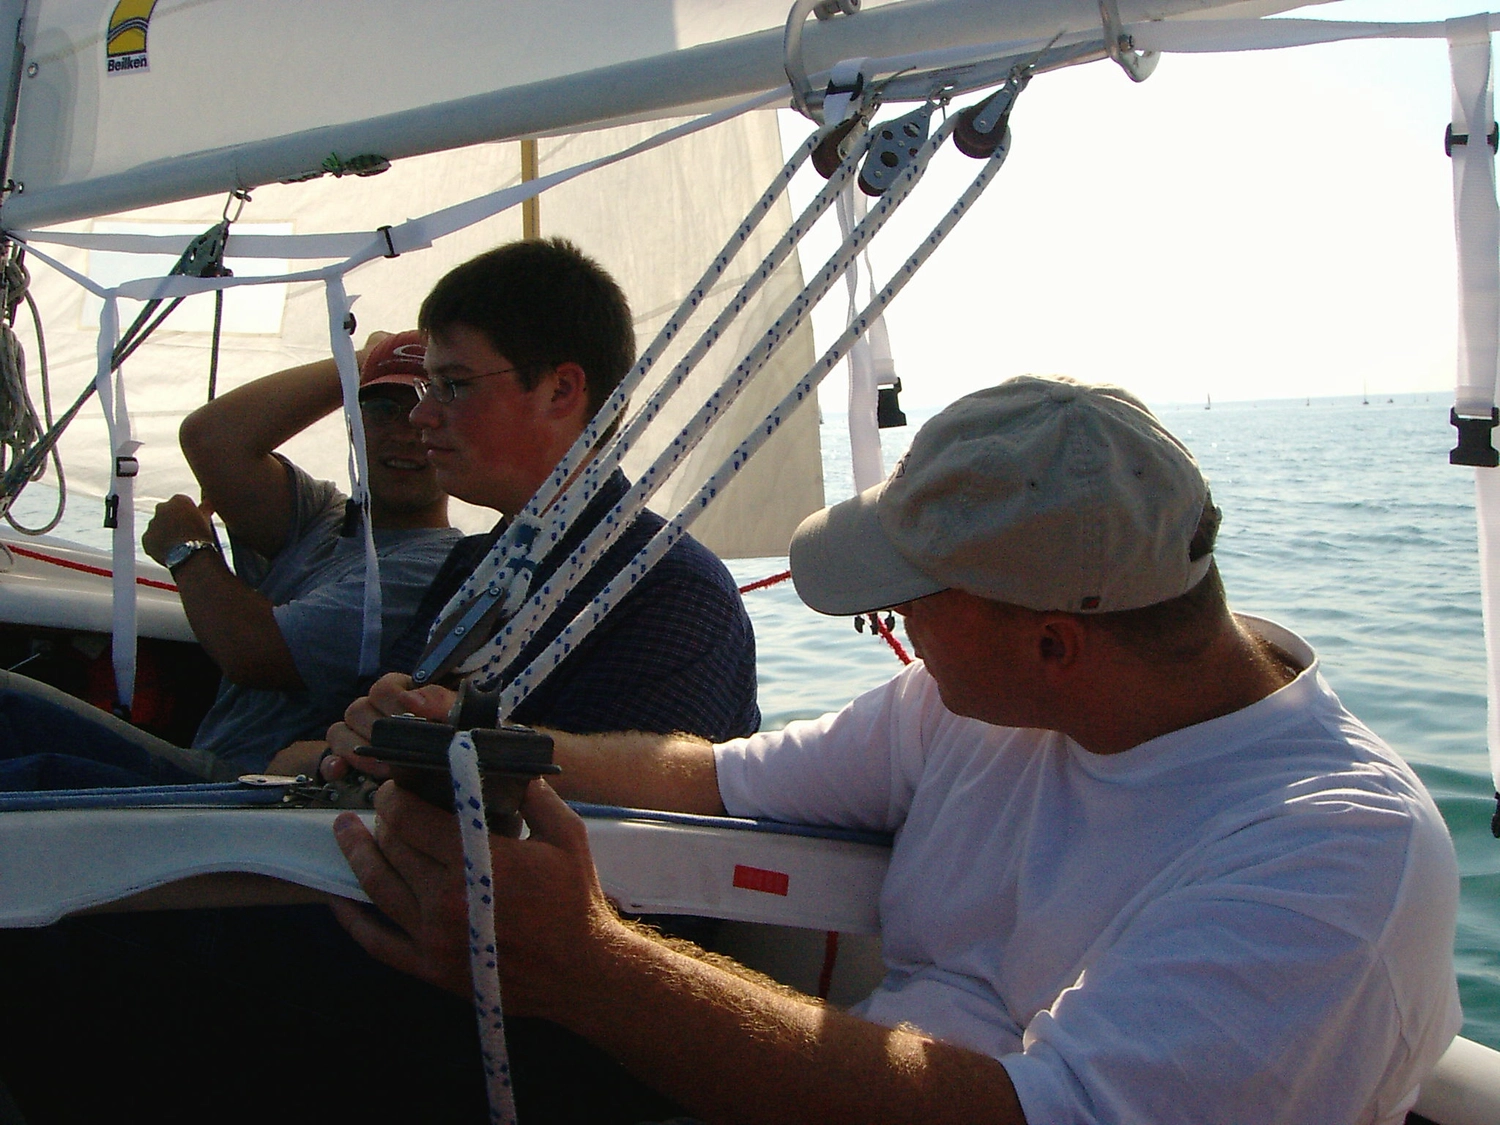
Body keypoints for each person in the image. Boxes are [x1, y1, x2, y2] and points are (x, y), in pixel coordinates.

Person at [332, 375, 1463, 1125]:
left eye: (910, 598)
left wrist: (589, 968)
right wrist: (476, 741)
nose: (892, 626)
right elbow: (715, 778)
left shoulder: (1334, 851)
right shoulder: (973, 704)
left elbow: (1041, 1116)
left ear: (1053, 643)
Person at [0, 332, 460, 788]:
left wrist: (186, 549)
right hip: (201, 768)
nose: (406, 433)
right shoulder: (322, 516)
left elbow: (255, 653)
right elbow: (213, 439)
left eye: (428, 411)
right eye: (383, 410)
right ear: (354, 424)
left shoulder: (433, 567)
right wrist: (362, 359)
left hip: (239, 791)